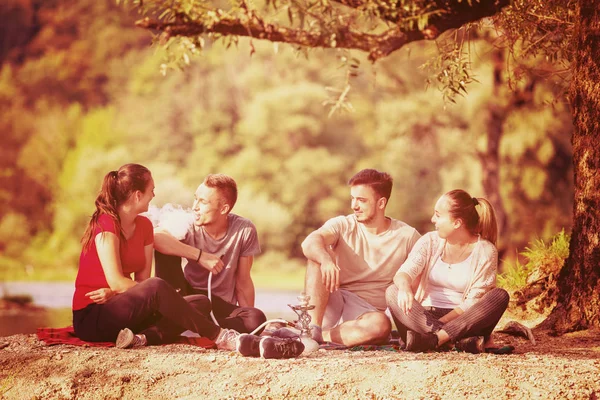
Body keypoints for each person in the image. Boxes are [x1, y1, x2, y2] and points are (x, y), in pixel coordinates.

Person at [72, 164, 301, 358]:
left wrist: (126, 293)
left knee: (200, 302)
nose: (154, 195)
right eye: (152, 190)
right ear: (137, 195)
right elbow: (118, 283)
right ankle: (222, 337)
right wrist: (118, 292)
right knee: (158, 286)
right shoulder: (105, 223)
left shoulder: (143, 226)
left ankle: (142, 339)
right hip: (95, 314)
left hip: (123, 314)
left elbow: (140, 282)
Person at [291, 169, 421, 346]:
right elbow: (309, 242)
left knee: (381, 324)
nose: (354, 205)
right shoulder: (343, 224)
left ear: (381, 203)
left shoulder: (407, 236)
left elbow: (424, 274)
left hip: (366, 314)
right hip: (330, 300)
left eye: (361, 200)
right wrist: (326, 260)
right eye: (352, 198)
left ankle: (314, 336)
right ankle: (312, 327)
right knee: (318, 254)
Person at [385, 189, 510, 353]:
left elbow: (473, 302)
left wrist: (445, 326)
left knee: (500, 296)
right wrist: (404, 287)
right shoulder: (429, 241)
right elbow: (405, 272)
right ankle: (458, 342)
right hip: (422, 317)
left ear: (457, 223)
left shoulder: (486, 251)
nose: (433, 219)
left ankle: (432, 340)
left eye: (438, 215)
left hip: (465, 319)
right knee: (392, 291)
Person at [153, 174, 267, 335]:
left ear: (224, 209)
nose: (195, 207)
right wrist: (200, 256)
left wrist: (251, 324)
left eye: (203, 202)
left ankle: (190, 325)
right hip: (186, 297)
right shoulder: (187, 223)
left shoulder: (244, 230)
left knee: (256, 319)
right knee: (165, 251)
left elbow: (243, 283)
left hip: (218, 304)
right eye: (196, 199)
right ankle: (193, 324)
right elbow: (156, 237)